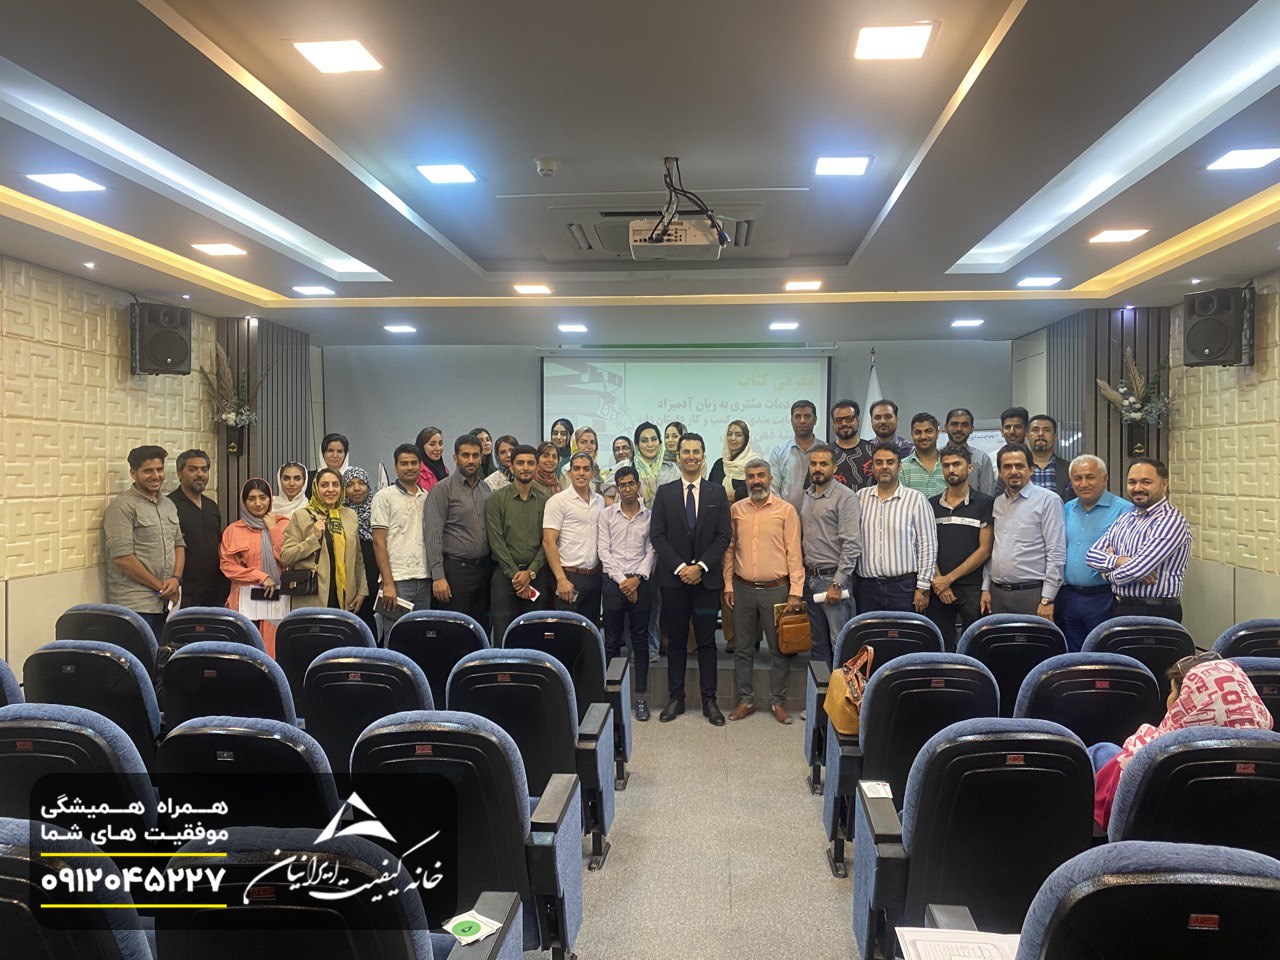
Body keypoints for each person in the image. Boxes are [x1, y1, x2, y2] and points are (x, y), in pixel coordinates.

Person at [1092, 654, 1272, 830]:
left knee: (1101, 751)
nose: (1169, 699)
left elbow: (1114, 808)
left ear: (1188, 701)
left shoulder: (1156, 755)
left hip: (1154, 845)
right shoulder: (1271, 752)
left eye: (1173, 692)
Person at [650, 433, 732, 725]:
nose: (691, 457)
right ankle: (676, 699)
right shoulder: (665, 493)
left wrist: (700, 567)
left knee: (707, 642)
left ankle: (710, 701)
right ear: (678, 456)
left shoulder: (716, 493)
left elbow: (724, 536)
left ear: (703, 455)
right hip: (674, 582)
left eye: (696, 451)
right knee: (676, 641)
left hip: (706, 582)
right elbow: (657, 536)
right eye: (686, 452)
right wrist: (681, 567)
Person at [723, 459, 805, 724]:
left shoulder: (786, 510)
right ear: (745, 480)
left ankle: (778, 702)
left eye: (761, 475)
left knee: (779, 650)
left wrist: (795, 591)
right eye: (751, 476)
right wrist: (728, 585)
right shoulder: (736, 510)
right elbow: (729, 550)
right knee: (742, 649)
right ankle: (745, 700)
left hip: (777, 590)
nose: (756, 481)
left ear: (770, 479)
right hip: (742, 589)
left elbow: (794, 553)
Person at [1085, 457, 1192, 622]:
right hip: (1121, 606)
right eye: (1132, 482)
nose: (1137, 488)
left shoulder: (1171, 521)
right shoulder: (1125, 518)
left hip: (1155, 611)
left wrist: (1107, 575)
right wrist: (1121, 561)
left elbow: (1135, 570)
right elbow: (1091, 556)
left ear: (1164, 485)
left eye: (1146, 482)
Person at [103, 445, 185, 637]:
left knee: (162, 653)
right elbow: (123, 559)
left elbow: (179, 544)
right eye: (148, 471)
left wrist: (176, 579)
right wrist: (161, 587)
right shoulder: (121, 507)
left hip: (166, 603)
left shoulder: (168, 504)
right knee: (139, 655)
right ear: (133, 473)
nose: (156, 476)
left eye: (159, 469)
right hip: (135, 605)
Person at [597, 465, 656, 720]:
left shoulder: (650, 517)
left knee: (640, 641)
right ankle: (613, 698)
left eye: (631, 484)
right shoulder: (607, 515)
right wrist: (624, 582)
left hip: (641, 582)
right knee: (611, 642)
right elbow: (603, 551)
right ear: (617, 488)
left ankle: (640, 698)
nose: (627, 489)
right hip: (613, 582)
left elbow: (652, 550)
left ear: (638, 485)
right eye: (622, 485)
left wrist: (637, 579)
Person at [1059, 455, 1134, 651]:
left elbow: (1131, 555)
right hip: (1069, 596)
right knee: (1073, 653)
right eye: (1077, 478)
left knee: (1103, 651)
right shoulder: (1066, 509)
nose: (1084, 483)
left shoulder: (1125, 511)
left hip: (1104, 597)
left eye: (1090, 477)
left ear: (1105, 478)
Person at [981, 444, 1066, 618]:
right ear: (1000, 472)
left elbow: (1056, 552)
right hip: (997, 594)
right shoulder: (997, 503)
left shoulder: (1048, 500)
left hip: (1033, 594)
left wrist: (1048, 599)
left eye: (1019, 466)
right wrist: (986, 588)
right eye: (1007, 467)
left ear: (1031, 469)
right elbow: (994, 549)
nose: (1013, 471)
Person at [855, 442, 937, 614]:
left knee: (905, 632)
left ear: (899, 466)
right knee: (869, 632)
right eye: (879, 462)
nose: (884, 467)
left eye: (890, 462)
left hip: (904, 589)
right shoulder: (860, 498)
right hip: (867, 589)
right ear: (872, 467)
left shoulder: (916, 500)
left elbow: (928, 546)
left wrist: (923, 587)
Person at [800, 443, 861, 667]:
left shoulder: (845, 497)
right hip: (810, 579)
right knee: (817, 644)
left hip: (832, 581)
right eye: (813, 464)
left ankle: (842, 690)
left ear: (834, 468)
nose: (817, 468)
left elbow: (851, 544)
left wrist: (838, 583)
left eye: (823, 464)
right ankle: (820, 690)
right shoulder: (808, 495)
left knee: (840, 645)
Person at [928, 444, 994, 649]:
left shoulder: (985, 503)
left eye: (957, 464)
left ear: (970, 468)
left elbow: (985, 549)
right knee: (941, 646)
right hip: (938, 588)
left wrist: (949, 579)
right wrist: (940, 582)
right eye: (946, 465)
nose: (951, 469)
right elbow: (926, 546)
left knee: (974, 646)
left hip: (972, 588)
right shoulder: (931, 505)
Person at [423, 435, 492, 629]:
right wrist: (438, 577)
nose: (471, 460)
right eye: (465, 455)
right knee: (455, 630)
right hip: (455, 572)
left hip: (484, 571)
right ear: (455, 458)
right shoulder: (442, 490)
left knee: (481, 629)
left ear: (481, 458)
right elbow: (433, 536)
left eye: (475, 455)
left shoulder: (485, 489)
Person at [281, 468, 368, 614]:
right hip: (313, 597)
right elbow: (286, 557)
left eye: (335, 485)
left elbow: (357, 557)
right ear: (316, 488)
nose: (331, 490)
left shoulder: (350, 515)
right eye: (324, 485)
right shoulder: (301, 516)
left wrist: (362, 591)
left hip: (345, 598)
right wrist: (313, 538)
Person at [487, 445, 550, 642]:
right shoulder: (496, 500)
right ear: (511, 466)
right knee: (503, 636)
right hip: (504, 577)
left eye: (530, 463)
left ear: (536, 466)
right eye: (520, 463)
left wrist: (530, 573)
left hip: (536, 576)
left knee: (533, 636)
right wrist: (516, 576)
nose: (525, 468)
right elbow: (496, 542)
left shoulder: (545, 501)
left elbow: (548, 541)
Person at [219, 477, 289, 653]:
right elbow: (227, 566)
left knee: (274, 650)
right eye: (251, 498)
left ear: (270, 499)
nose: (258, 503)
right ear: (244, 502)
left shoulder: (284, 525)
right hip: (244, 603)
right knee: (245, 651)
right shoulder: (233, 531)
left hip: (278, 602)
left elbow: (288, 559)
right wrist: (260, 576)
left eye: (263, 497)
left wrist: (273, 529)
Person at [370, 445, 431, 640]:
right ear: (395, 467)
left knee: (420, 638)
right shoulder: (384, 497)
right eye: (404, 463)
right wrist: (388, 583)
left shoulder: (427, 497)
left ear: (420, 465)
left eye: (414, 463)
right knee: (395, 638)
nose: (409, 467)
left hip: (424, 579)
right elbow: (378, 541)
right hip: (397, 582)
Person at [543, 452, 605, 620]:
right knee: (566, 631)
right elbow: (548, 542)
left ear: (592, 473)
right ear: (570, 472)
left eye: (586, 469)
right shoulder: (558, 501)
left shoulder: (599, 501)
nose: (581, 473)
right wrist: (561, 579)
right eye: (576, 468)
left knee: (590, 631)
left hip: (594, 577)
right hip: (568, 577)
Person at [167, 448, 228, 608]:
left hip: (215, 591)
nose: (200, 474)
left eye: (204, 469)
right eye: (193, 469)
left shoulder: (211, 506)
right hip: (185, 592)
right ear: (179, 474)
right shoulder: (169, 506)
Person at [343, 466, 379, 636]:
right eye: (350, 484)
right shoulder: (340, 515)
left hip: (378, 578)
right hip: (352, 580)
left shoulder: (379, 511)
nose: (356, 488)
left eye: (361, 483)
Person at [769, 400, 823, 510]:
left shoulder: (826, 451)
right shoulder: (779, 452)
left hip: (820, 515)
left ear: (815, 420)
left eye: (807, 416)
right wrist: (786, 513)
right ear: (791, 420)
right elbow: (773, 488)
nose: (802, 421)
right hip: (785, 515)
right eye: (798, 416)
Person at [850, 400, 914, 487]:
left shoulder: (910, 450)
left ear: (896, 419)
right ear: (871, 421)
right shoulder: (863, 450)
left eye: (888, 417)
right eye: (877, 417)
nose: (883, 421)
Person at [943, 408, 995, 495]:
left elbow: (987, 496)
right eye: (954, 424)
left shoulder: (982, 459)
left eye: (965, 425)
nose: (959, 429)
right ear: (946, 428)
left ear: (971, 429)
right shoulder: (936, 456)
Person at [1024, 414, 1074, 501]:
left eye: (1046, 430)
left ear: (1055, 436)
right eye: (1035, 430)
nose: (1041, 434)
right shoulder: (1015, 468)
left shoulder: (1070, 469)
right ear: (1027, 435)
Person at [709, 420, 757, 503]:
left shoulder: (754, 464)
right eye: (729, 434)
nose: (732, 438)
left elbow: (756, 488)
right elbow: (709, 489)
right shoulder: (719, 464)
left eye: (738, 435)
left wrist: (735, 495)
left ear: (746, 439)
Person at [899, 413, 947, 498]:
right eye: (918, 432)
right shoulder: (902, 467)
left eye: (928, 431)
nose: (923, 437)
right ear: (912, 434)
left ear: (937, 433)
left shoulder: (948, 464)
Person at [828, 399, 868, 489]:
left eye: (849, 419)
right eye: (838, 420)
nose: (844, 423)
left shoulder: (873, 452)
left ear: (858, 420)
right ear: (833, 423)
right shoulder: (823, 454)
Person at [560, 426, 610, 497]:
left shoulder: (599, 470)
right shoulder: (567, 469)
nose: (589, 446)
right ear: (575, 445)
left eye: (592, 442)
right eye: (583, 442)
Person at [415, 426, 449, 493]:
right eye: (432, 444)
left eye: (440, 444)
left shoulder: (444, 470)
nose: (438, 448)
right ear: (421, 447)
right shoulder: (416, 472)